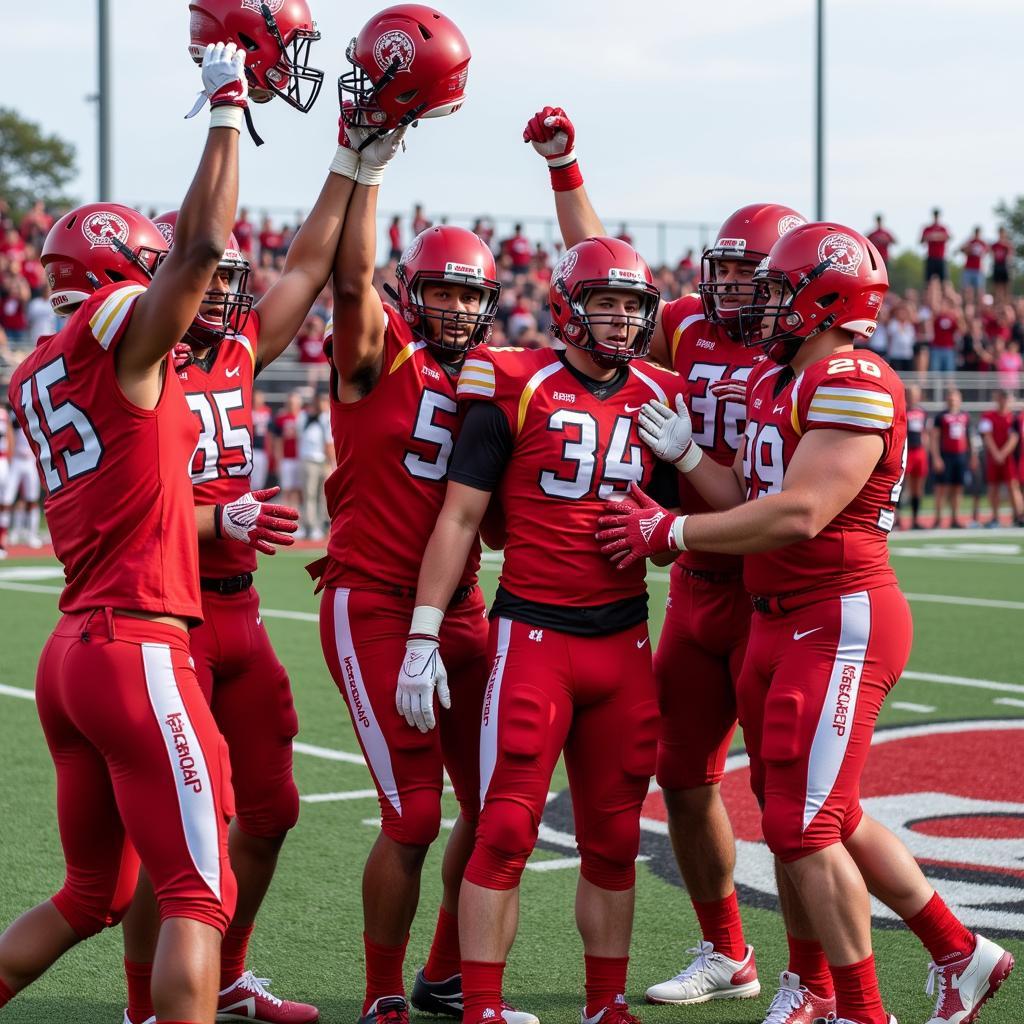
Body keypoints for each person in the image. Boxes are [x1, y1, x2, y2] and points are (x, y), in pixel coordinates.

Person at [596, 221, 1015, 1024]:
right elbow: (749, 504)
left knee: (803, 820)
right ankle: (958, 952)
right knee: (826, 815)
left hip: (838, 616)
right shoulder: (775, 379)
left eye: (783, 291)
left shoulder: (853, 375)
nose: (767, 305)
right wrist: (687, 465)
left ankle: (859, 1008)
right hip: (775, 620)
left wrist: (672, 531)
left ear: (824, 298)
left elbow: (800, 513)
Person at [523, 104, 836, 1021]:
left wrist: (695, 466)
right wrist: (567, 169)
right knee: (684, 778)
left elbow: (772, 498)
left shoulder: (809, 361)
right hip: (698, 589)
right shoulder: (690, 329)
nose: (735, 291)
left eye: (754, 276)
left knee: (788, 804)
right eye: (728, 274)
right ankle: (726, 948)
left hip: (774, 590)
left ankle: (811, 978)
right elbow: (604, 276)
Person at [0, 42, 248, 1024]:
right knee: (198, 894)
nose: (174, 295)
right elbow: (197, 252)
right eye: (142, 276)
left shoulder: (38, 368)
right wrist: (227, 109)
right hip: (137, 642)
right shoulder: (115, 331)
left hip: (75, 652)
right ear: (112, 278)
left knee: (92, 894)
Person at [120, 73, 356, 1020]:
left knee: (272, 811)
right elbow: (123, 503)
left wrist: (354, 156)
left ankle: (227, 973)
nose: (220, 293)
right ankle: (149, 1001)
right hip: (166, 611)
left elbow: (303, 266)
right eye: (205, 278)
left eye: (227, 282)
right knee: (186, 839)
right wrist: (224, 520)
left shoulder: (239, 351)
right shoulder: (133, 359)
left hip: (240, 613)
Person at [314, 10, 534, 1024]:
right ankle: (379, 993)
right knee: (410, 814)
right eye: (438, 293)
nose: (451, 310)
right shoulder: (377, 351)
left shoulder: (495, 378)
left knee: (497, 813)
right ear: (415, 294)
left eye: (468, 296)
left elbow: (488, 517)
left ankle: (448, 974)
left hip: (463, 610)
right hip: (371, 602)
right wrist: (369, 163)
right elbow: (350, 277)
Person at [400, 236, 682, 1024]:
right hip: (534, 640)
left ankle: (605, 1004)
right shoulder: (516, 382)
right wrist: (424, 633)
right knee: (506, 829)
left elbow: (695, 517)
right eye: (606, 302)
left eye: (633, 305)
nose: (622, 320)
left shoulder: (660, 396)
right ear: (568, 306)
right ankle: (482, 1006)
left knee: (616, 838)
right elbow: (461, 516)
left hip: (626, 639)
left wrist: (684, 464)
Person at [978, 390, 1022, 526]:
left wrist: (1003, 453)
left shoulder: (1014, 418)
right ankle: (995, 517)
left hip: (1009, 458)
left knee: (1013, 486)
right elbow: (987, 435)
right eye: (1001, 398)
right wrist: (996, 453)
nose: (1003, 401)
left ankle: (1019, 516)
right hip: (993, 457)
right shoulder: (988, 416)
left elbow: (1015, 437)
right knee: (993, 487)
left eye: (1005, 398)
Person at [932, 388, 972, 528]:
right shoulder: (940, 417)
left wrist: (972, 456)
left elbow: (969, 438)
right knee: (941, 488)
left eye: (955, 398)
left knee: (957, 487)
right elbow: (935, 438)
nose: (952, 400)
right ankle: (938, 518)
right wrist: (936, 457)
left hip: (960, 456)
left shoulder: (965, 416)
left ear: (960, 400)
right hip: (945, 455)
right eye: (950, 398)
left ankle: (955, 518)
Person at [298, 390, 332, 541]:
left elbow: (329, 443)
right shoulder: (305, 417)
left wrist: (331, 463)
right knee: (310, 495)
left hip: (323, 461)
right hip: (310, 460)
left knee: (322, 496)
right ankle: (310, 526)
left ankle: (320, 525)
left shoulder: (327, 418)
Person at [903, 384, 929, 529]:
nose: (913, 397)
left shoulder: (922, 412)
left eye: (916, 394)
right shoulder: (903, 410)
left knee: (917, 487)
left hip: (919, 451)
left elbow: (925, 433)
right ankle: (898, 518)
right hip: (907, 451)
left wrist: (926, 450)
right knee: (901, 486)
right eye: (911, 394)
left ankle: (915, 518)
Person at [959, 227, 988, 307]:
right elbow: (962, 249)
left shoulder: (982, 243)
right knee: (966, 289)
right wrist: (968, 250)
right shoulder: (970, 242)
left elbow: (986, 252)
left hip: (978, 269)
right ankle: (966, 306)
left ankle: (978, 307)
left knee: (979, 291)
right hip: (968, 268)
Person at [921, 208, 951, 284]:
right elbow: (922, 240)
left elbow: (948, 237)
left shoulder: (943, 228)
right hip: (931, 257)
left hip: (941, 257)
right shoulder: (928, 228)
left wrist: (936, 237)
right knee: (928, 282)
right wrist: (930, 237)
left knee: (944, 282)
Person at [990, 227, 1012, 304]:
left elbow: (1009, 256)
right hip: (997, 266)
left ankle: (1006, 303)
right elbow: (992, 255)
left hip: (1004, 266)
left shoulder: (1007, 245)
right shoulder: (995, 245)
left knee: (1005, 286)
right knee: (996, 286)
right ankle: (997, 302)